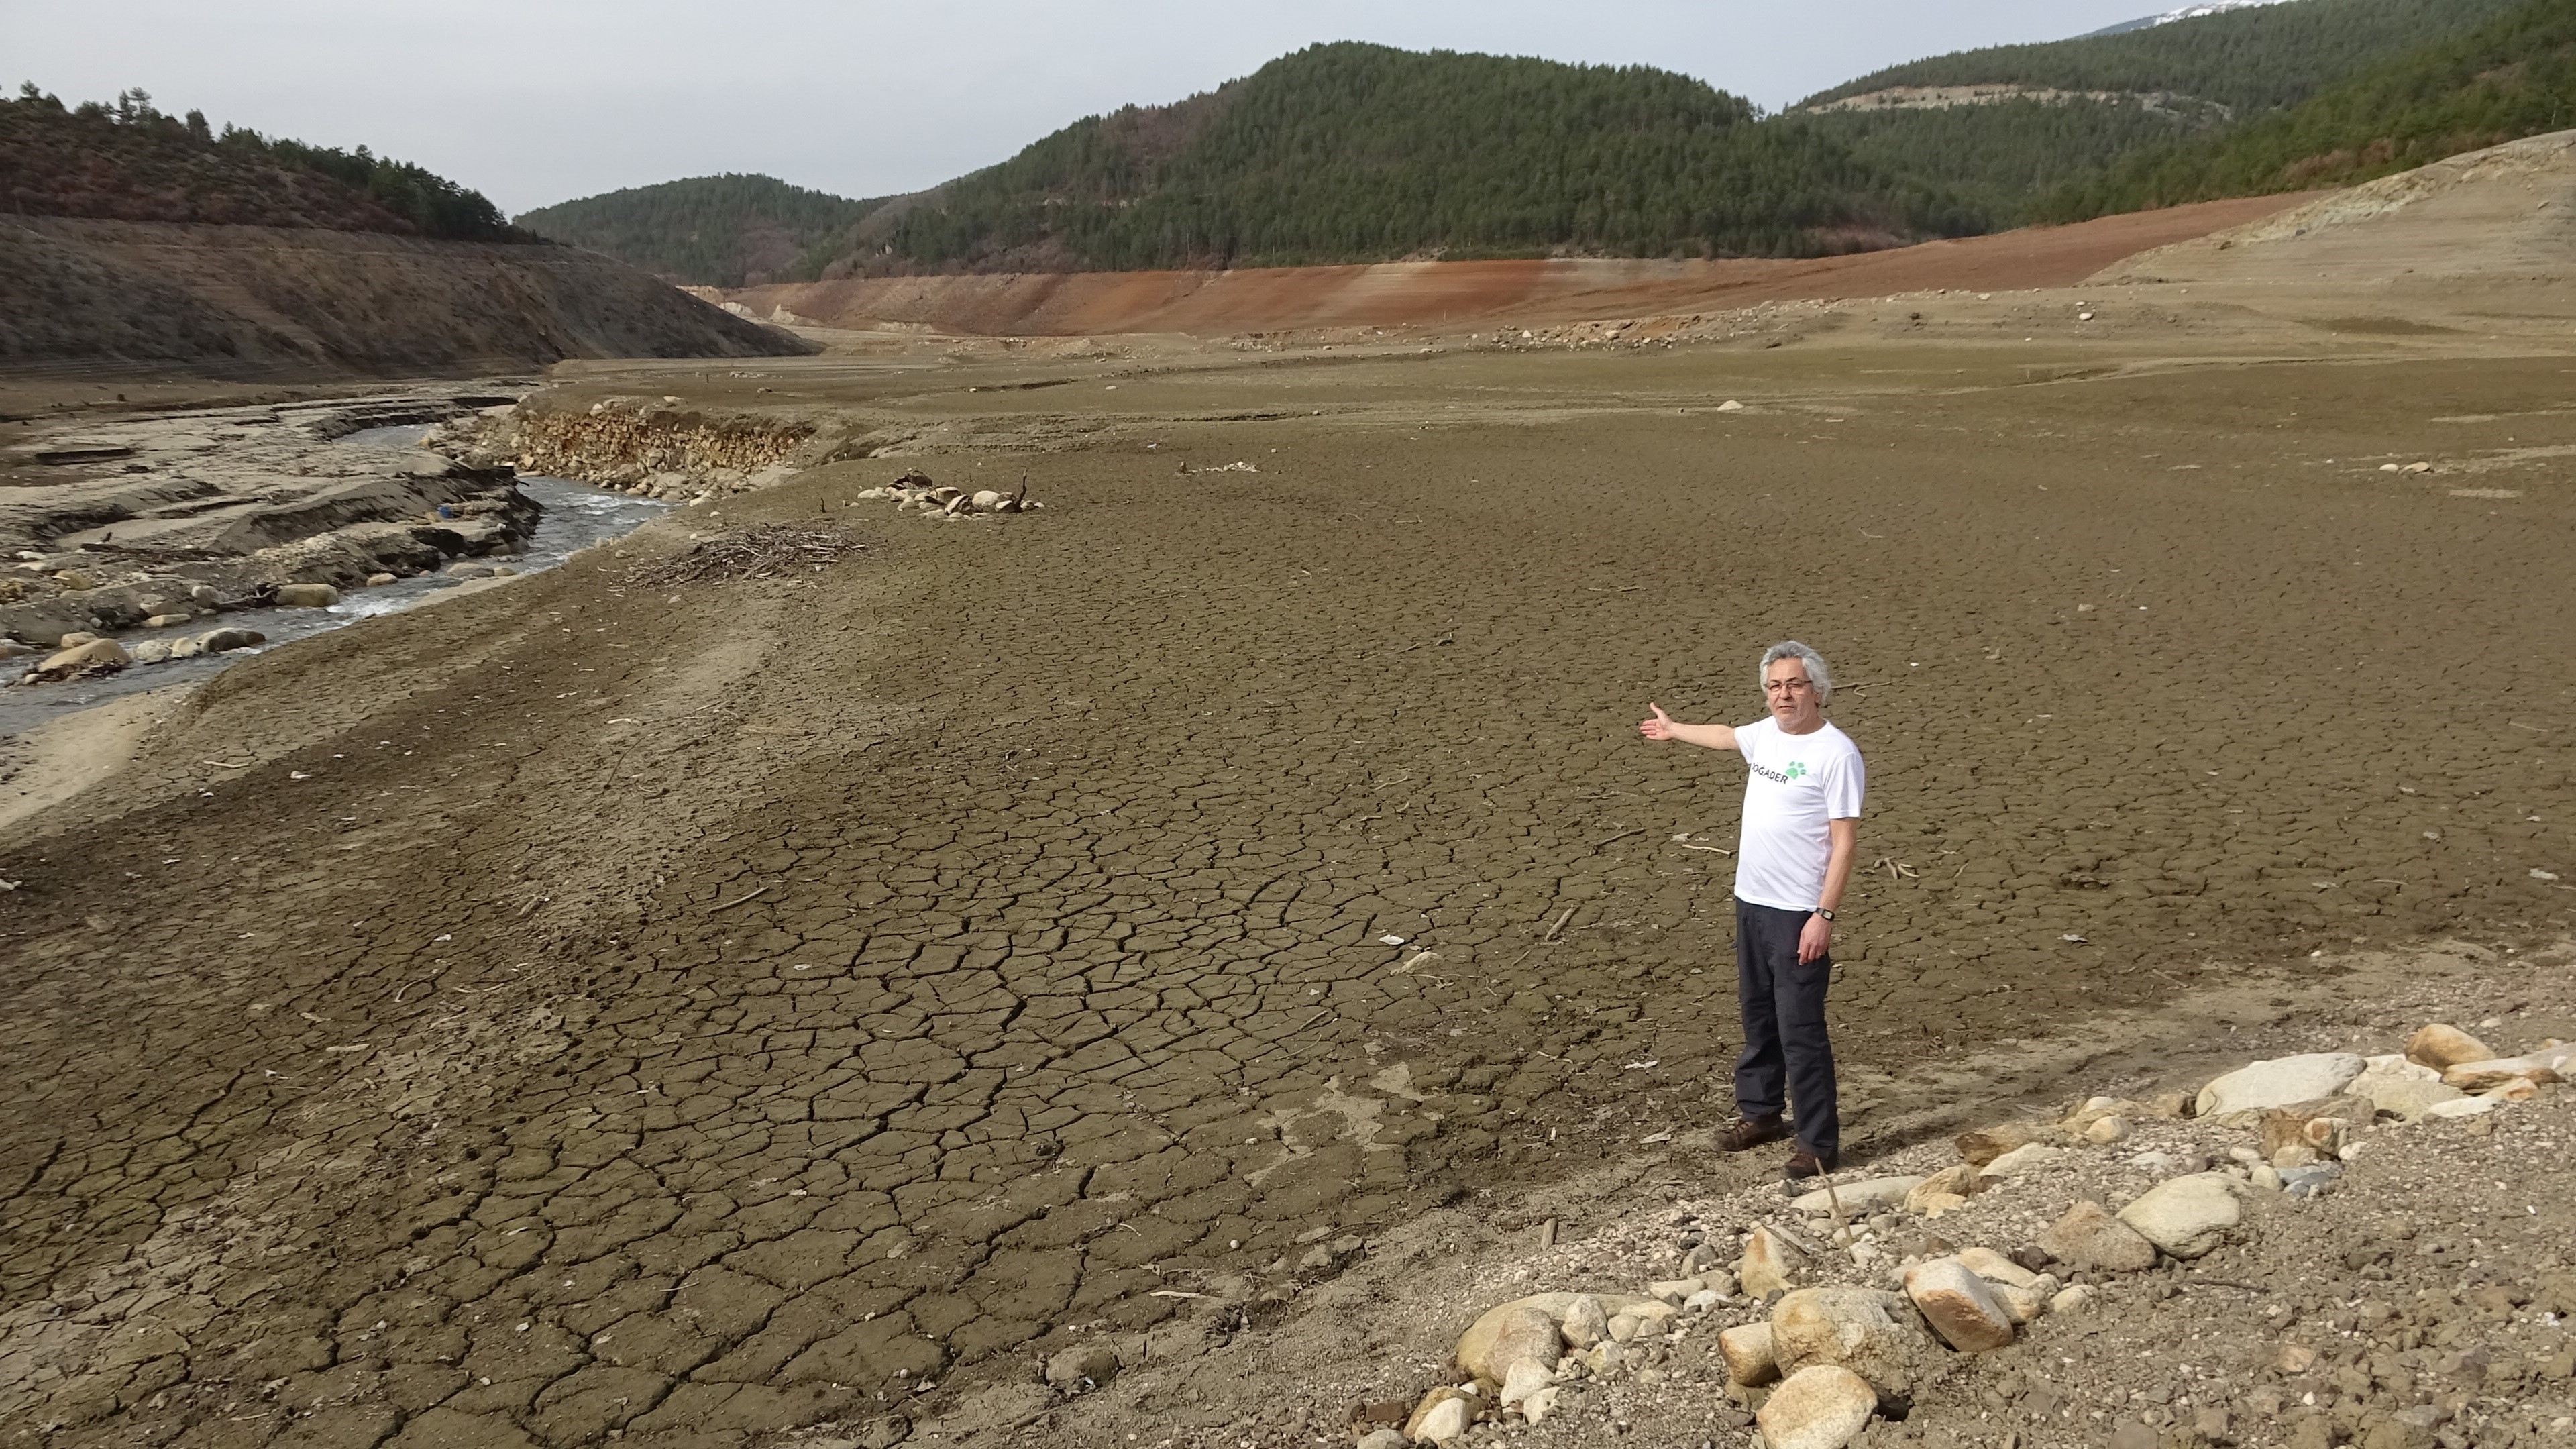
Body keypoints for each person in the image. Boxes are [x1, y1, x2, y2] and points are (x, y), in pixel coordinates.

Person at [1638, 641, 1864, 1180]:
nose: (1784, 695)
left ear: (1818, 690)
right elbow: (1724, 736)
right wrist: (1674, 730)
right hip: (1752, 901)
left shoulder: (1837, 753)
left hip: (1797, 913)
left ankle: (1817, 1144)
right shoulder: (1764, 735)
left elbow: (1846, 842)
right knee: (1758, 1016)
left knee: (1800, 1028)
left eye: (1794, 684)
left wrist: (1823, 916)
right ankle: (1761, 1114)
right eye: (1774, 686)